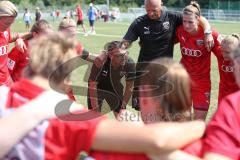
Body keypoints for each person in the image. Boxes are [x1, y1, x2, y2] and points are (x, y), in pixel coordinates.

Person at [0, 32, 205, 160]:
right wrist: (200, 125)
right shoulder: (71, 117)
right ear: (67, 78)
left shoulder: (2, 94)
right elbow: (156, 140)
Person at [118, 0, 214, 110]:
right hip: (144, 73)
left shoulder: (172, 17)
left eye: (154, 10)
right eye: (148, 10)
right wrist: (121, 48)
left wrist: (207, 32)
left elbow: (196, 17)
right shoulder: (139, 22)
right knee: (144, 109)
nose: (151, 13)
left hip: (164, 73)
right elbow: (126, 40)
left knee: (163, 110)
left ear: (161, 5)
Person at [175, 1, 222, 120]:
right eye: (184, 21)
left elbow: (226, 54)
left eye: (190, 22)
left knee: (199, 123)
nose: (186, 25)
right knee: (181, 120)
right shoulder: (179, 31)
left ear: (198, 20)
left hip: (202, 83)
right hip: (183, 80)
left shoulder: (211, 36)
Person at [88, 41, 135, 118]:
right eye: (119, 55)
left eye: (125, 53)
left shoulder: (129, 63)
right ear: (110, 55)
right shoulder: (100, 62)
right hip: (98, 87)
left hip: (114, 87)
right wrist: (95, 109)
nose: (124, 57)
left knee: (122, 117)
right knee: (95, 117)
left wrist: (123, 105)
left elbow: (129, 87)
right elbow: (92, 85)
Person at [0, 0, 27, 86]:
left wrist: (19, 39)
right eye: (7, 23)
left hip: (6, 80)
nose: (9, 26)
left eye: (11, 23)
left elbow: (9, 38)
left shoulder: (5, 30)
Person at [214, 34, 239, 105]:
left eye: (228, 52)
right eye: (222, 51)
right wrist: (207, 33)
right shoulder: (220, 54)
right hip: (223, 93)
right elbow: (214, 34)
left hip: (237, 94)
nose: (223, 54)